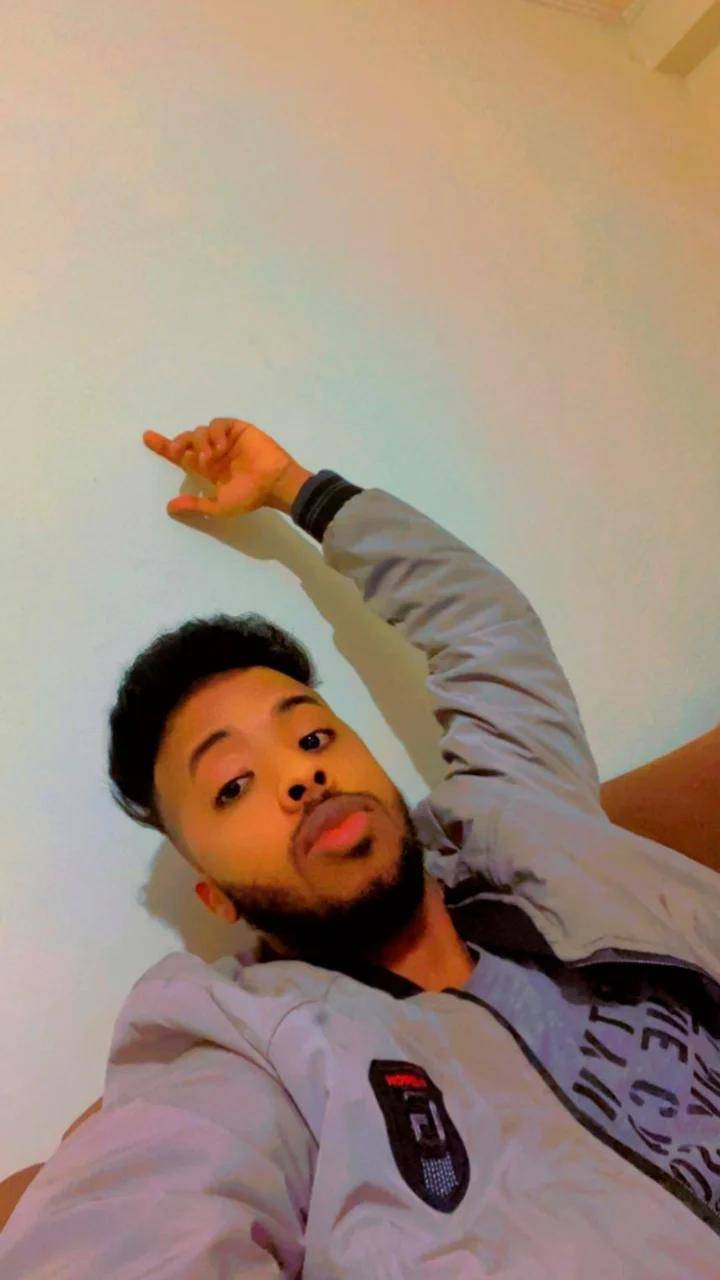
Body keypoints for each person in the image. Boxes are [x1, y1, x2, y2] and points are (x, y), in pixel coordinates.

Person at [2, 417, 719, 1277]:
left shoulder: (522, 823)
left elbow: (486, 629)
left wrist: (300, 492)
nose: (301, 777)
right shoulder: (253, 1052)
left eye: (311, 738)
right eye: (233, 785)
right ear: (216, 897)